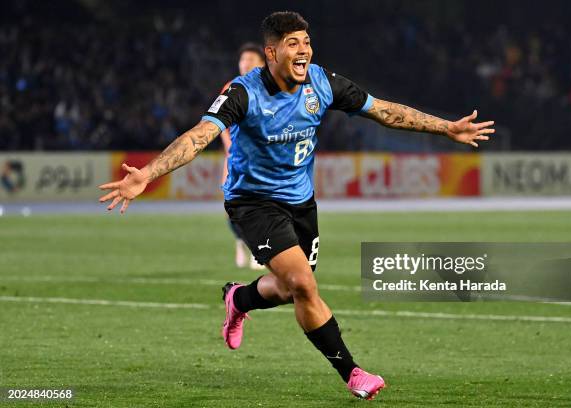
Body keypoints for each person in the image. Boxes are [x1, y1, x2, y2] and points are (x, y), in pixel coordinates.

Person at [99, 11, 494, 400]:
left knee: (291, 290)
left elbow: (382, 110)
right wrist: (148, 174)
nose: (304, 51)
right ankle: (352, 372)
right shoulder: (243, 92)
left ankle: (238, 298)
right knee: (305, 285)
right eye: (293, 44)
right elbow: (199, 136)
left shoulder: (322, 83)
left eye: (306, 42)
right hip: (252, 203)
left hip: (302, 204)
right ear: (271, 53)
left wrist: (447, 127)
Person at [219, 43, 266, 270]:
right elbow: (219, 123)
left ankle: (260, 248)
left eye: (250, 59)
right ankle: (240, 241)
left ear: (262, 64)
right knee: (231, 206)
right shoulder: (230, 88)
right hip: (236, 157)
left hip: (262, 158)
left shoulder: (271, 88)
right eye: (242, 60)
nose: (245, 63)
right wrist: (230, 148)